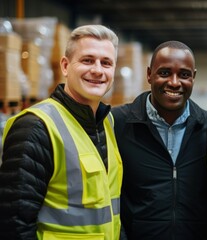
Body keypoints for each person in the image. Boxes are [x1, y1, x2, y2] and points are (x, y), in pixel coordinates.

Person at [0, 24, 122, 239]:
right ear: (65, 66)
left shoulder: (107, 122)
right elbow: (14, 223)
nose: (97, 70)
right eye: (87, 60)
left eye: (106, 63)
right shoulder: (36, 127)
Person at [112, 40, 207, 240]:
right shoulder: (119, 124)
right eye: (165, 73)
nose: (175, 82)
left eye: (184, 75)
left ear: (193, 77)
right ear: (149, 74)